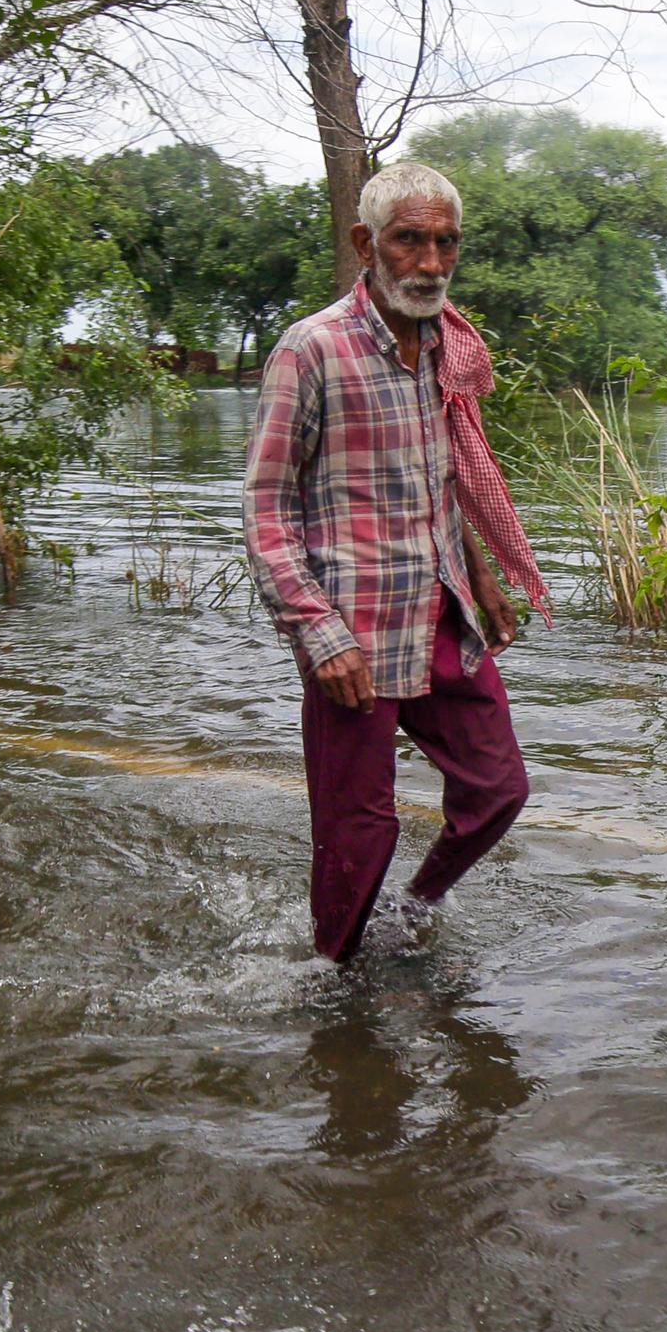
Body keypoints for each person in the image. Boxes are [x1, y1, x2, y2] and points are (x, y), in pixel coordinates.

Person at [244, 161, 549, 960]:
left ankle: (413, 911)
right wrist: (320, 635)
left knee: (497, 790)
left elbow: (443, 479)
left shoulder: (447, 345)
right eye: (409, 241)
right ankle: (331, 984)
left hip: (439, 609)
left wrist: (482, 576)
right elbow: (265, 509)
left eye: (445, 244)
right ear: (365, 244)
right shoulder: (311, 351)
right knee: (358, 833)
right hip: (355, 632)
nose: (430, 263)